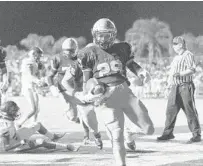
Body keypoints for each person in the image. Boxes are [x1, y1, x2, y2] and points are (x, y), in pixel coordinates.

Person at [75, 18, 154, 166]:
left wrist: (141, 71)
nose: (103, 39)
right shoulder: (89, 53)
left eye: (107, 35)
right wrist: (90, 93)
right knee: (116, 138)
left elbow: (131, 64)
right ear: (94, 35)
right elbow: (87, 82)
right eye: (101, 35)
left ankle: (130, 133)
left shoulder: (122, 48)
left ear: (113, 35)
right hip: (106, 98)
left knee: (149, 128)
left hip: (126, 93)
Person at [47, 38, 102, 149]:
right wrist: (52, 86)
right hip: (70, 91)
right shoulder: (75, 63)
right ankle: (92, 133)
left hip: (88, 90)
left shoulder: (99, 62)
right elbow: (62, 81)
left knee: (89, 114)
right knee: (76, 116)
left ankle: (93, 136)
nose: (69, 53)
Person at [157, 36, 201, 143]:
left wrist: (180, 74)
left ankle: (196, 134)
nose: (173, 46)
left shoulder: (188, 54)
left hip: (185, 86)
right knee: (170, 110)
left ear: (181, 44)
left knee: (189, 110)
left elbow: (192, 69)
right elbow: (172, 73)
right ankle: (168, 133)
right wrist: (168, 85)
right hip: (175, 87)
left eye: (175, 44)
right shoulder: (176, 57)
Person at [0, 100, 80, 152]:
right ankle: (67, 147)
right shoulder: (4, 129)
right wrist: (21, 142)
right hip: (15, 145)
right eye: (13, 111)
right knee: (41, 142)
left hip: (15, 136)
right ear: (7, 113)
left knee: (37, 125)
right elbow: (6, 148)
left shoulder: (2, 115)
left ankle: (53, 137)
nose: (16, 112)